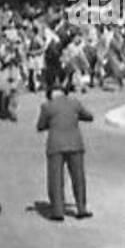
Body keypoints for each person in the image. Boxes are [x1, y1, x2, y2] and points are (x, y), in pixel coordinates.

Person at [35, 78, 93, 221]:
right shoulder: (74, 103)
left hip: (55, 145)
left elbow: (40, 126)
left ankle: (58, 211)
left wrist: (52, 123)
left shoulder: (47, 106)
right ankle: (81, 208)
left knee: (56, 179)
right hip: (75, 144)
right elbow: (89, 116)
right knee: (78, 177)